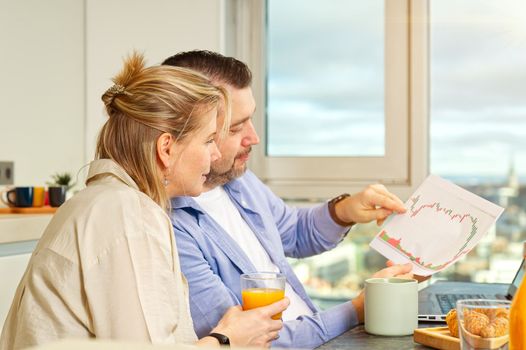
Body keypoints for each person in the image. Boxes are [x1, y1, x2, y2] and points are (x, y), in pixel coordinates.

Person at [0, 53, 288, 350]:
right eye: (208, 140)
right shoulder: (128, 215)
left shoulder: (108, 202)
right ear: (166, 148)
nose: (215, 155)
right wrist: (227, 340)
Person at [163, 50, 415, 349]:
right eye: (235, 127)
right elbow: (257, 340)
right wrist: (360, 309)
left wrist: (344, 211)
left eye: (251, 120)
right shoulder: (169, 228)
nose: (253, 138)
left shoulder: (235, 178)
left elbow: (292, 231)